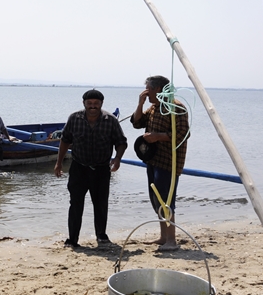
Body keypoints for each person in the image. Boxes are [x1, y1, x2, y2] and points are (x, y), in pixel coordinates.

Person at [54, 89, 127, 248]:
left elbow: (121, 142)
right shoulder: (74, 118)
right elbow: (65, 141)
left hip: (101, 170)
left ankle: (101, 236)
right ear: (84, 103)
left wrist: (117, 159)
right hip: (79, 168)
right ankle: (72, 239)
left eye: (96, 104)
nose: (93, 106)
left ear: (101, 104)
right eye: (89, 103)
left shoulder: (111, 120)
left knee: (101, 204)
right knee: (75, 204)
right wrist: (59, 163)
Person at [131, 75, 190, 252]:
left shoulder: (176, 107)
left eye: (148, 88)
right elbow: (137, 123)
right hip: (153, 159)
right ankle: (163, 236)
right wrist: (140, 104)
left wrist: (157, 137)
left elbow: (183, 134)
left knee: (166, 199)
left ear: (157, 89)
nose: (146, 92)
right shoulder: (154, 107)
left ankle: (171, 239)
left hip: (169, 161)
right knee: (156, 198)